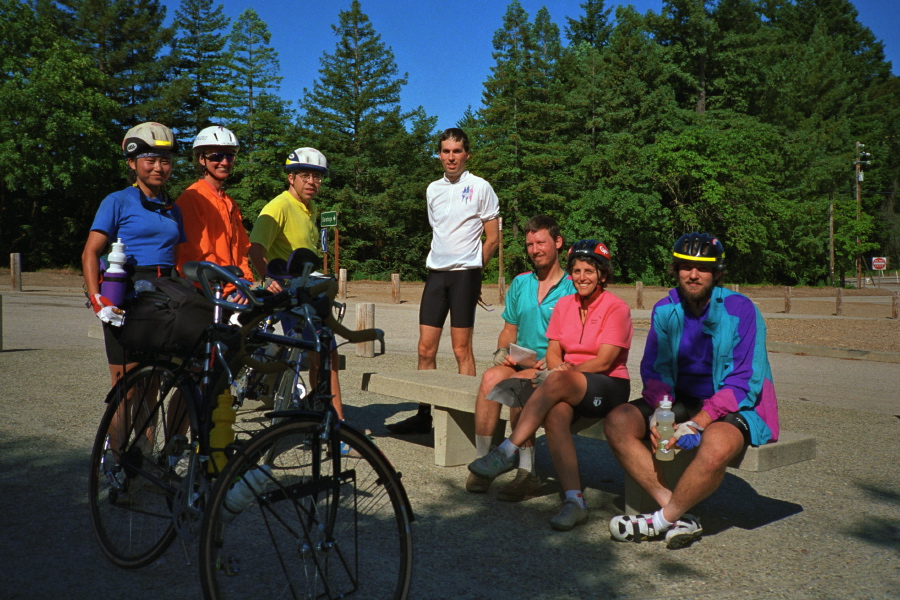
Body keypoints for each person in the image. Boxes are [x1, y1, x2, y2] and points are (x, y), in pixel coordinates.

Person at [604, 232, 779, 549]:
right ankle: (677, 513)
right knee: (618, 421)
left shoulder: (741, 310)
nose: (693, 274)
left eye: (703, 268)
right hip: (680, 399)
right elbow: (655, 369)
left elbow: (745, 381)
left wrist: (698, 422)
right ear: (676, 270)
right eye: (685, 266)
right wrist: (660, 412)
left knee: (717, 443)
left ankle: (658, 521)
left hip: (734, 405)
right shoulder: (665, 310)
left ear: (718, 273)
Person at [468, 240, 633, 531]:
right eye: (577, 271)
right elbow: (554, 351)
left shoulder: (616, 307)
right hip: (566, 382)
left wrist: (564, 372)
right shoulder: (565, 305)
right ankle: (575, 501)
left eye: (589, 272)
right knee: (553, 413)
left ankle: (506, 450)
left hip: (608, 385)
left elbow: (605, 360)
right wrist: (559, 369)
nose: (582, 277)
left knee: (551, 380)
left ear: (603, 275)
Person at [387, 128, 500, 434]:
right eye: (446, 151)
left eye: (457, 151)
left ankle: (467, 419)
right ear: (439, 155)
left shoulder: (480, 187)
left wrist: (475, 272)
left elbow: (492, 238)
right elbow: (438, 230)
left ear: (467, 155)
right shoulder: (433, 189)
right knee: (425, 348)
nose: (451, 157)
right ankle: (424, 415)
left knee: (462, 349)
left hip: (465, 274)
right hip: (436, 274)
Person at [466, 215, 575, 500]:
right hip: (521, 360)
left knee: (518, 387)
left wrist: (553, 361)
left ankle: (528, 473)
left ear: (558, 242)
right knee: (490, 378)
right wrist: (502, 352)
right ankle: (483, 463)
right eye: (529, 244)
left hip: (552, 368)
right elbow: (509, 330)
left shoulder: (572, 286)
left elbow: (577, 338)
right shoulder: (521, 283)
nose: (535, 250)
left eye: (541, 242)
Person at [82, 122, 185, 385]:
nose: (159, 168)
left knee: (154, 383)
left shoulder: (172, 208)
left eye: (165, 161)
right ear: (132, 163)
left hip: (165, 296)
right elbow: (91, 252)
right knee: (125, 387)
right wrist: (96, 298)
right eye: (150, 161)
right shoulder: (117, 201)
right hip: (127, 295)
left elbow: (178, 256)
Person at [247, 147, 346, 420]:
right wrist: (269, 278)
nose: (312, 182)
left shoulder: (310, 207)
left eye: (317, 177)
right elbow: (256, 247)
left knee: (322, 354)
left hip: (307, 289)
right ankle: (335, 421)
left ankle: (324, 414)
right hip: (290, 292)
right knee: (322, 352)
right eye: (305, 176)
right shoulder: (279, 206)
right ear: (291, 177)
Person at [175, 126, 253, 295]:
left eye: (229, 156)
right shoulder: (192, 198)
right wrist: (228, 287)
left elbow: (241, 251)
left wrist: (245, 281)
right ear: (201, 159)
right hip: (209, 289)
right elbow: (195, 253)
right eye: (216, 156)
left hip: (235, 286)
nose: (224, 162)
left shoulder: (230, 203)